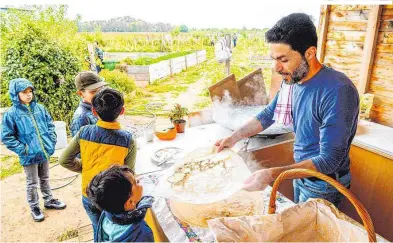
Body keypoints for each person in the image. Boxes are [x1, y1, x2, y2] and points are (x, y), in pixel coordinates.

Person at [215, 13, 359, 207]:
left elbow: (329, 160)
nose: (276, 68)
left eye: (283, 59)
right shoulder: (293, 80)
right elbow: (268, 115)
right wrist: (234, 137)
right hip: (301, 174)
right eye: (273, 59)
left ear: (309, 53)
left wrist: (272, 174)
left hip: (325, 184)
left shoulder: (337, 91)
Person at [59, 88, 137, 241]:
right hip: (115, 197)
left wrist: (85, 167)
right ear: (122, 111)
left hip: (89, 194)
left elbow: (63, 160)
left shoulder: (83, 132)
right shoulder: (128, 140)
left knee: (98, 229)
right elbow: (129, 173)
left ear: (94, 111)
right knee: (117, 232)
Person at [1, 78, 66, 222]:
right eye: (24, 92)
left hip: (43, 152)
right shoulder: (11, 114)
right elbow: (6, 137)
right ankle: (34, 207)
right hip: (28, 156)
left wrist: (51, 140)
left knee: (45, 178)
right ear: (16, 94)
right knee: (32, 182)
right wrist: (23, 149)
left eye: (30, 91)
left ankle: (49, 200)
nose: (28, 95)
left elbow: (50, 125)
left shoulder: (40, 108)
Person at [87, 165, 154, 242]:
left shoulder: (107, 213)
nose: (138, 180)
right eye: (135, 183)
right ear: (130, 202)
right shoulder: (142, 233)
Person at [70, 71, 107, 137]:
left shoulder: (99, 107)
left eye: (101, 89)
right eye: (93, 92)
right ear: (80, 93)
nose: (99, 94)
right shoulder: (81, 118)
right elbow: (80, 145)